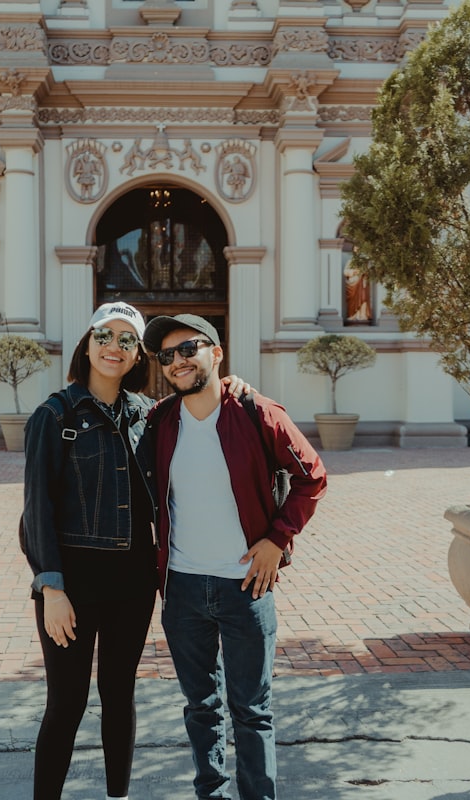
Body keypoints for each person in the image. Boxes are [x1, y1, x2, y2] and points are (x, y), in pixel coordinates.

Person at [142, 314, 328, 800]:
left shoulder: (256, 412)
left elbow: (312, 477)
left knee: (251, 710)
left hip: (246, 585)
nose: (177, 362)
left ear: (216, 353)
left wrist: (278, 539)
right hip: (181, 588)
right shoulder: (160, 421)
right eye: (166, 356)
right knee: (200, 708)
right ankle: (212, 794)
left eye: (188, 349)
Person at [21, 301, 157, 800]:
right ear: (88, 343)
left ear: (139, 354)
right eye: (105, 335)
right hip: (71, 585)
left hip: (134, 584)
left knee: (119, 695)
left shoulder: (149, 416)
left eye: (127, 339)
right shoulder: (54, 415)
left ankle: (117, 796)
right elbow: (37, 511)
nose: (114, 347)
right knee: (67, 703)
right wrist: (50, 586)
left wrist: (235, 387)